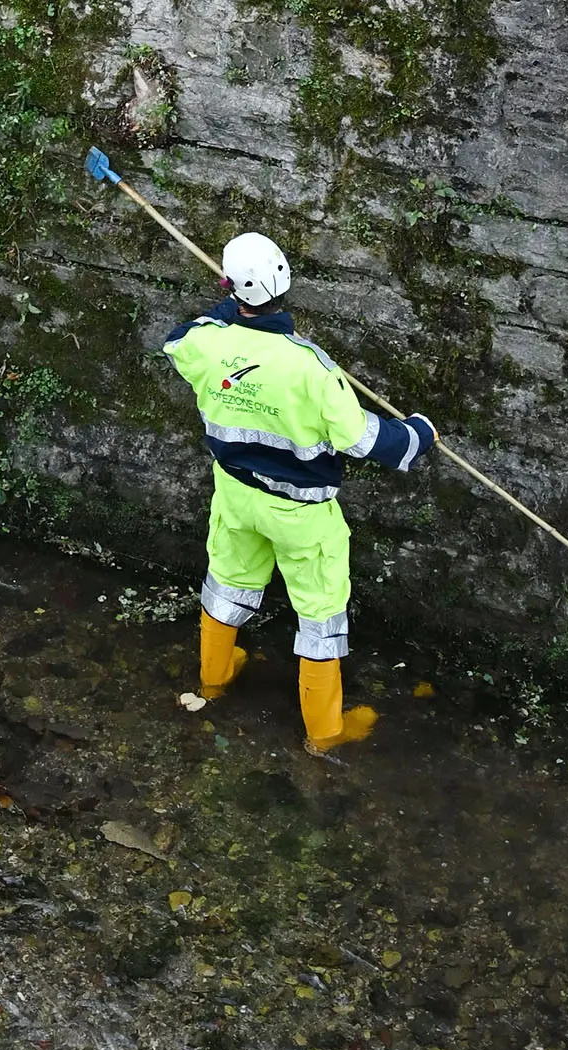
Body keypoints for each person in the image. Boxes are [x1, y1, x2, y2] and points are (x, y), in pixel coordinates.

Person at [163, 231, 435, 757]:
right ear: (284, 279)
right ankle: (324, 734)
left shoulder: (206, 342)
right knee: (319, 611)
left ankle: (214, 682)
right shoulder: (312, 368)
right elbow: (361, 439)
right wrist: (419, 435)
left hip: (237, 497)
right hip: (302, 514)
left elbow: (179, 339)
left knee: (228, 581)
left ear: (231, 287)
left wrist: (228, 306)